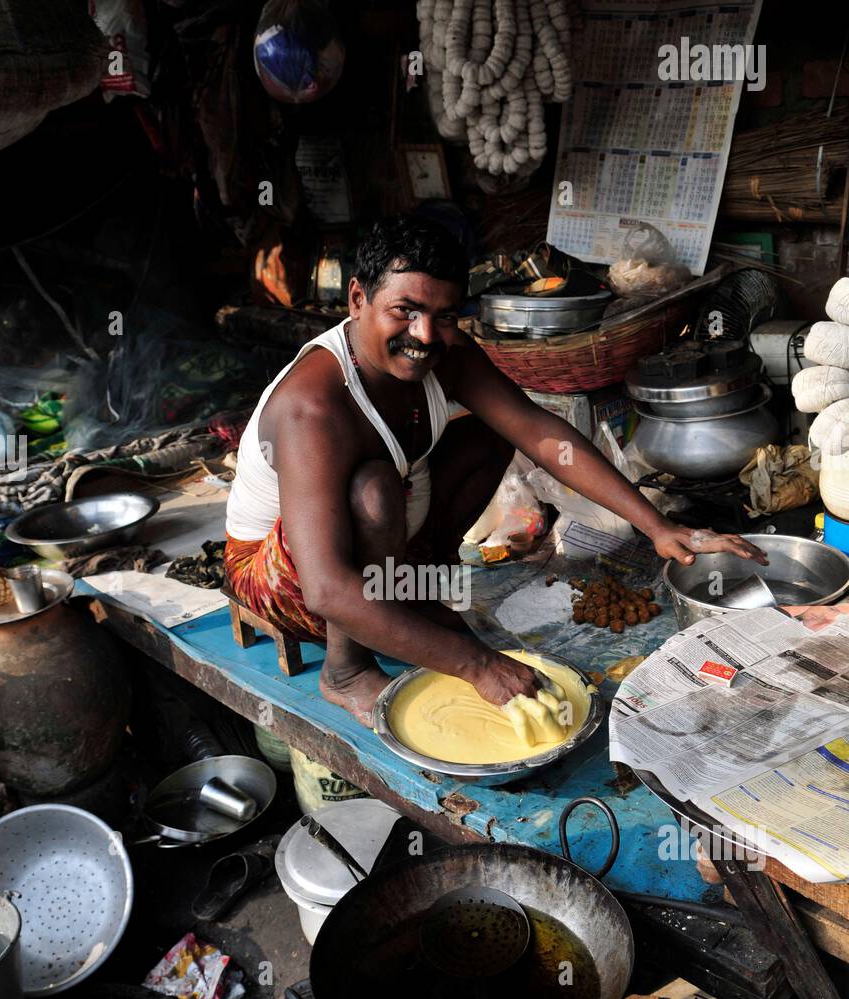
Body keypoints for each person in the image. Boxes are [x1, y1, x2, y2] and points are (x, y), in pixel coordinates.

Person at [225, 214, 764, 726]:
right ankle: (345, 671)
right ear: (358, 299)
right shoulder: (314, 406)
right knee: (374, 490)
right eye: (404, 311)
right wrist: (475, 665)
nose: (426, 335)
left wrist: (659, 527)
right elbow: (325, 590)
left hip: (376, 542)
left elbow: (540, 434)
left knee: (491, 430)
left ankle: (411, 587)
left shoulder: (445, 351)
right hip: (278, 574)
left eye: (444, 314)